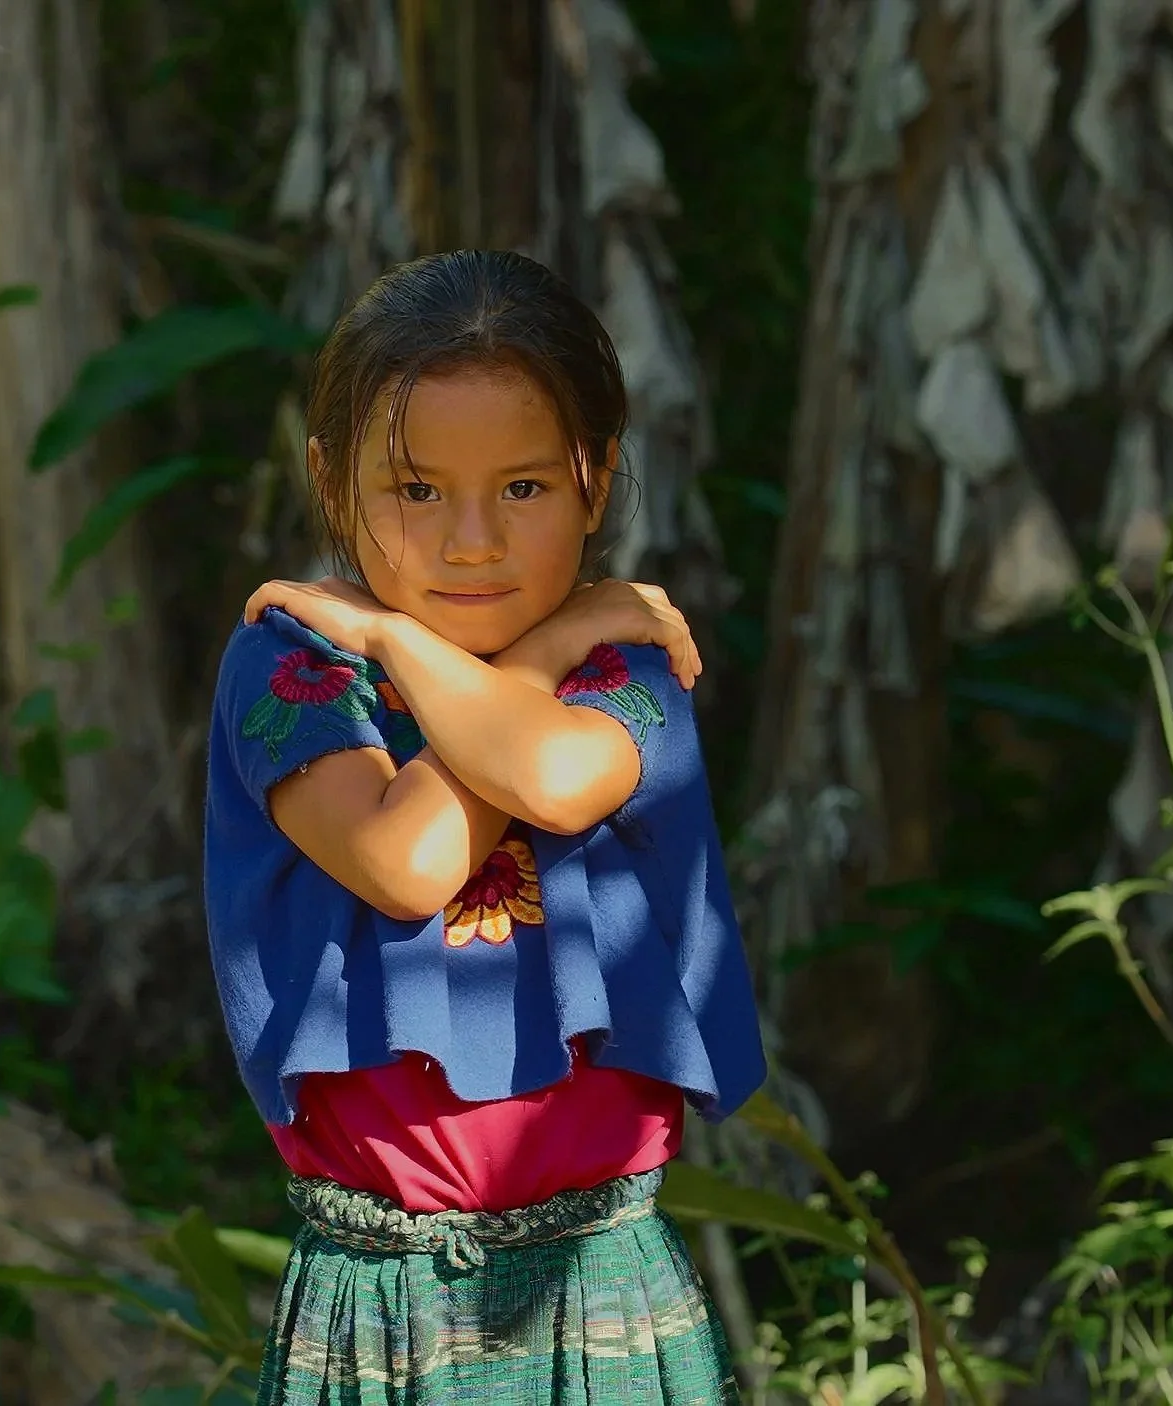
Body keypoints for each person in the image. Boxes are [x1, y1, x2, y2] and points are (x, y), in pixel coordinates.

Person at [203, 248, 766, 1403]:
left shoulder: (623, 674)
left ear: (595, 482)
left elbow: (552, 777)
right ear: (328, 478)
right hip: (379, 1295)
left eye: (523, 488)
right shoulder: (298, 666)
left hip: (599, 1277)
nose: (471, 542)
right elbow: (407, 859)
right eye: (417, 490)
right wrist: (481, 647)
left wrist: (434, 640)